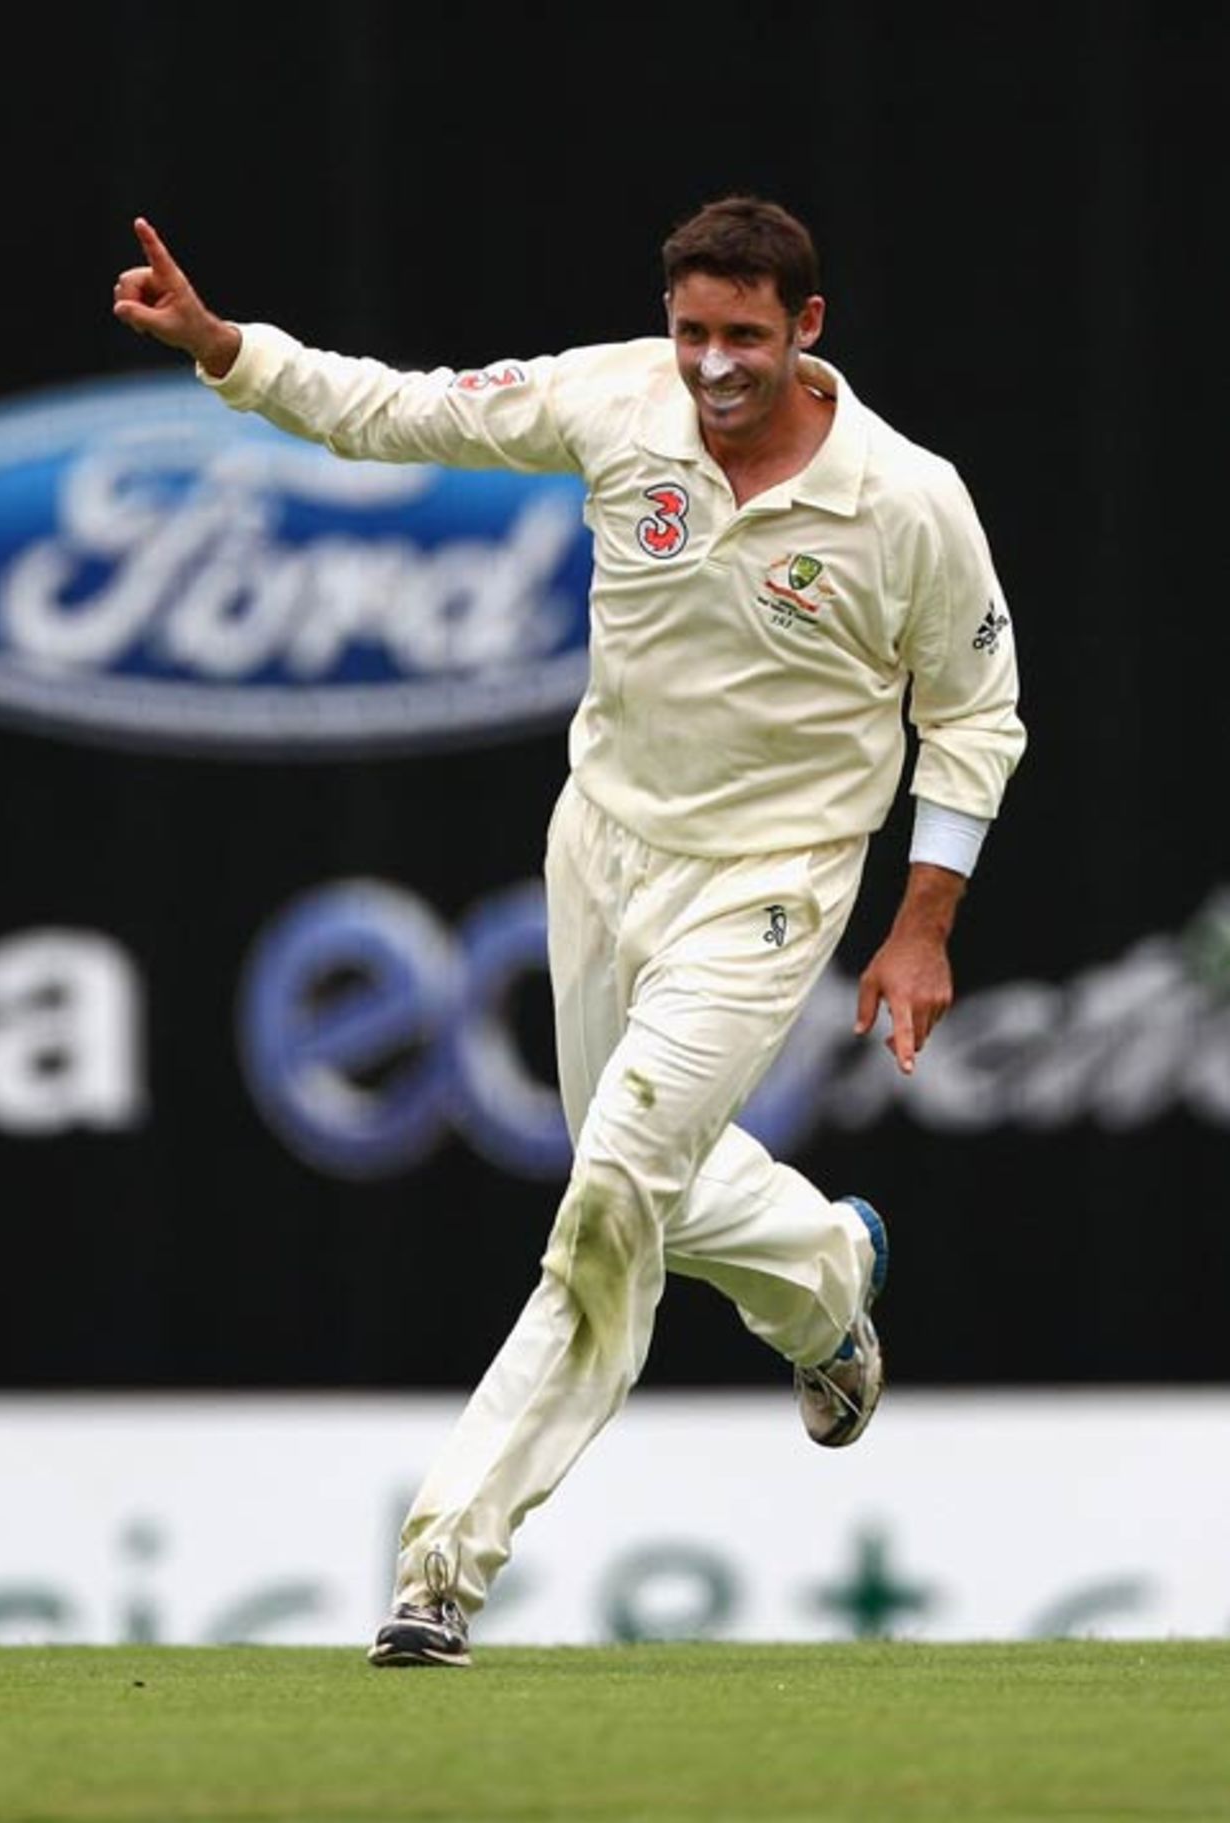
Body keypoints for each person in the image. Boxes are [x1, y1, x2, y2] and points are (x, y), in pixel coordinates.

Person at [113, 195, 1025, 1669]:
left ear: (808, 330)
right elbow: (402, 417)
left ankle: (440, 1569)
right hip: (602, 851)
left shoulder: (908, 500)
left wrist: (922, 927)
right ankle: (826, 1276)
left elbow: (976, 716)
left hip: (771, 882)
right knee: (645, 1176)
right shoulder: (617, 398)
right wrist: (229, 352)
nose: (714, 366)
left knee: (608, 1194)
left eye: (745, 336)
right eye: (693, 333)